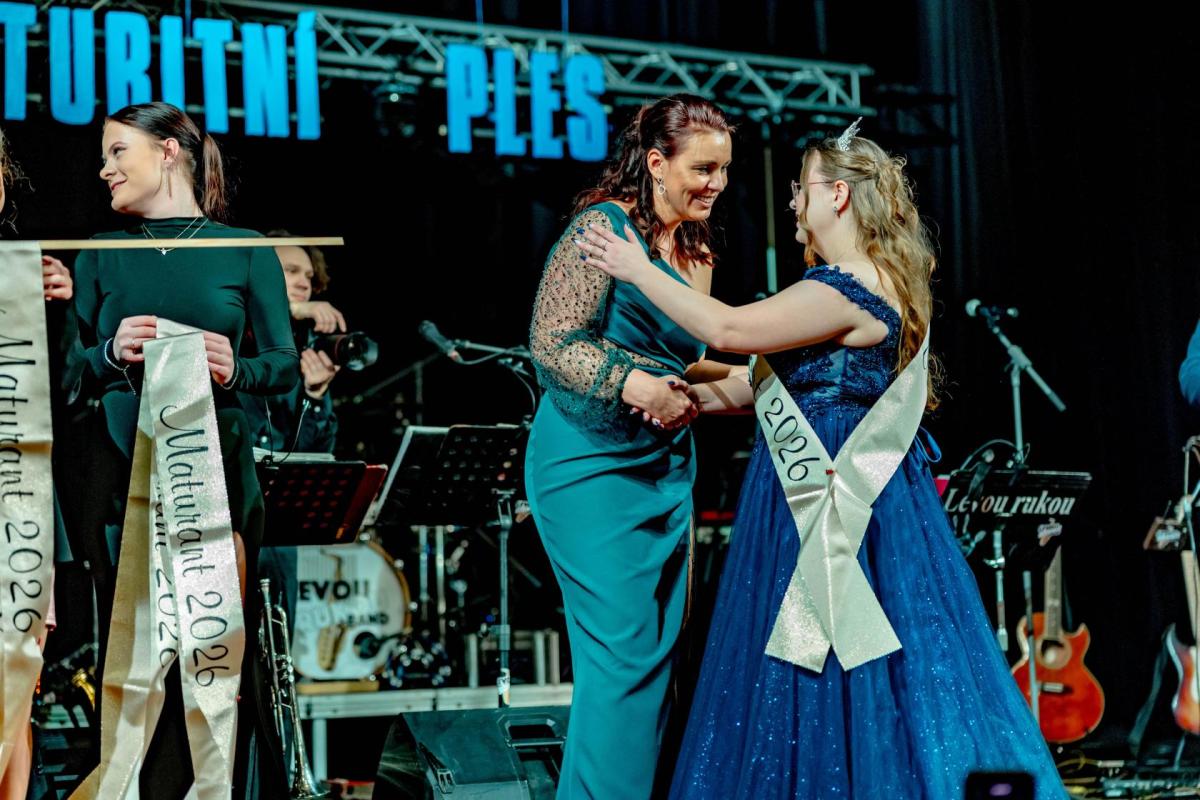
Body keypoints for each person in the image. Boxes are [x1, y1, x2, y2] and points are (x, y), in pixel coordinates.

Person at [577, 124, 1067, 799]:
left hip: (842, 497)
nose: (791, 202)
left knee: (846, 661)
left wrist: (636, 270)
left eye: (800, 188)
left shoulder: (851, 284)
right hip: (808, 487)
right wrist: (678, 395)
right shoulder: (839, 286)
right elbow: (765, 385)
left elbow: (729, 329)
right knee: (827, 664)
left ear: (837, 195)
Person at [73, 101, 299, 798]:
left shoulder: (245, 247)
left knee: (214, 658)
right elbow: (66, 373)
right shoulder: (99, 250)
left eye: (118, 151)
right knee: (134, 661)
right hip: (121, 479)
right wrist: (108, 351)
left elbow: (285, 365)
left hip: (216, 475)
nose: (105, 168)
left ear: (168, 151)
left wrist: (237, 367)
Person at [525, 94, 738, 799]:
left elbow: (686, 360)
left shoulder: (697, 249)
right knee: (620, 660)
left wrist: (772, 384)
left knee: (659, 660)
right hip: (587, 465)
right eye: (702, 169)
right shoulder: (602, 228)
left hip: (664, 470)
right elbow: (552, 342)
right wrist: (634, 384)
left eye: (724, 171)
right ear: (655, 163)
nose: (716, 184)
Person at [0, 125, 75, 800]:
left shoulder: (23, 270)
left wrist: (61, 313)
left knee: (17, 679)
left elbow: (69, 391)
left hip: (17, 500)